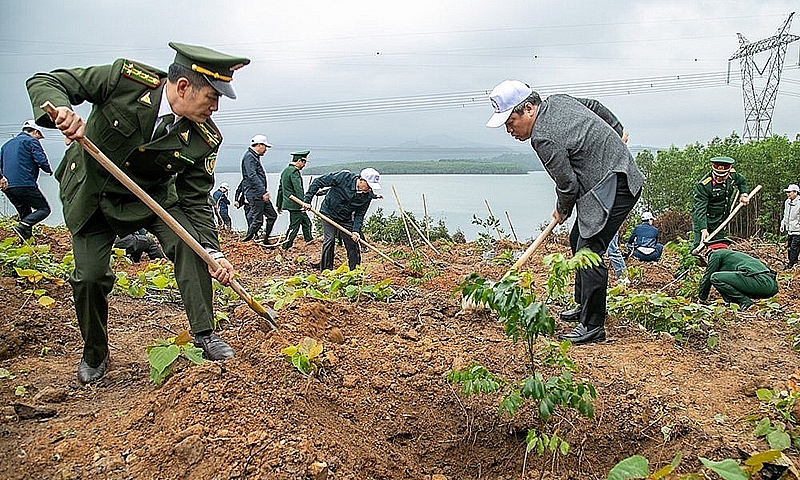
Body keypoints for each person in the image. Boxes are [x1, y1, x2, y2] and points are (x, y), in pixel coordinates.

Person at [26, 41, 250, 384]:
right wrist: (62, 111)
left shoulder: (204, 138)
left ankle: (205, 333)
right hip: (93, 194)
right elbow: (47, 81)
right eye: (212, 96)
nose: (216, 107)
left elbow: (196, 200)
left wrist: (214, 252)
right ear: (183, 86)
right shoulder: (125, 82)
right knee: (89, 277)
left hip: (152, 199)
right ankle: (95, 353)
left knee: (192, 247)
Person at [486, 80, 643, 344]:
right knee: (576, 239)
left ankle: (593, 325)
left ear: (528, 108)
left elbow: (567, 184)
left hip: (617, 185)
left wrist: (562, 209)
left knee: (589, 250)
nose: (509, 129)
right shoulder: (558, 100)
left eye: (511, 121)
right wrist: (617, 130)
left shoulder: (543, 137)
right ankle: (584, 305)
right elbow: (594, 106)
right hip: (608, 181)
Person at [301, 168, 381, 271]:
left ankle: (355, 272)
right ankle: (326, 271)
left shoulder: (367, 196)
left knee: (352, 243)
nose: (370, 189)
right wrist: (307, 200)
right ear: (361, 180)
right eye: (369, 186)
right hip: (328, 213)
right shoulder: (343, 178)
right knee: (329, 239)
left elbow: (359, 215)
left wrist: (356, 231)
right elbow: (318, 182)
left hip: (345, 218)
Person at [0, 120, 53, 240]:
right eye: (39, 136)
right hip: (24, 183)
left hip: (8, 187)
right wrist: (48, 170)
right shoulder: (31, 141)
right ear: (34, 132)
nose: (39, 139)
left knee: (26, 215)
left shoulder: (6, 145)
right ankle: (23, 226)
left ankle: (25, 239)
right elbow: (41, 160)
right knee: (44, 209)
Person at [698, 242, 778, 311]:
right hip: (771, 286)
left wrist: (702, 298)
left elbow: (708, 277)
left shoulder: (716, 254)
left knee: (715, 277)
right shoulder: (733, 256)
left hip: (760, 282)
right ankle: (733, 303)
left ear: (711, 250)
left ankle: (744, 302)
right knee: (722, 278)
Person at [691, 156, 749, 249]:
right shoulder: (704, 185)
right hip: (704, 219)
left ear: (728, 173)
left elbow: (742, 181)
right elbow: (700, 209)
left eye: (722, 177)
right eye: (716, 176)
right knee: (699, 245)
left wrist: (744, 194)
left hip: (721, 219)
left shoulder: (732, 176)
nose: (718, 179)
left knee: (719, 245)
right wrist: (703, 229)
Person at [240, 135, 278, 244]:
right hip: (255, 194)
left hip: (259, 193)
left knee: (272, 215)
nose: (266, 150)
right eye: (265, 146)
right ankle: (245, 242)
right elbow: (252, 176)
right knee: (258, 221)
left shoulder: (253, 157)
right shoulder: (249, 157)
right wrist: (263, 192)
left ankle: (266, 240)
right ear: (259, 145)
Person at [277, 150, 313, 250]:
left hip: (290, 204)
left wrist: (279, 204)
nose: (304, 165)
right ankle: (285, 246)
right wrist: (303, 203)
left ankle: (310, 243)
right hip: (296, 204)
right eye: (304, 162)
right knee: (294, 227)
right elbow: (298, 189)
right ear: (299, 161)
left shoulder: (285, 171)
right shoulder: (294, 172)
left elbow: (281, 189)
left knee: (307, 223)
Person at [780, 184, 800, 270]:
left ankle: (791, 265)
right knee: (789, 247)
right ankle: (792, 263)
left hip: (798, 230)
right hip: (790, 230)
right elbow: (785, 214)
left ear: (795, 192)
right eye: (787, 192)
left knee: (794, 247)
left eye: (789, 192)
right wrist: (783, 224)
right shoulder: (787, 202)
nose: (788, 194)